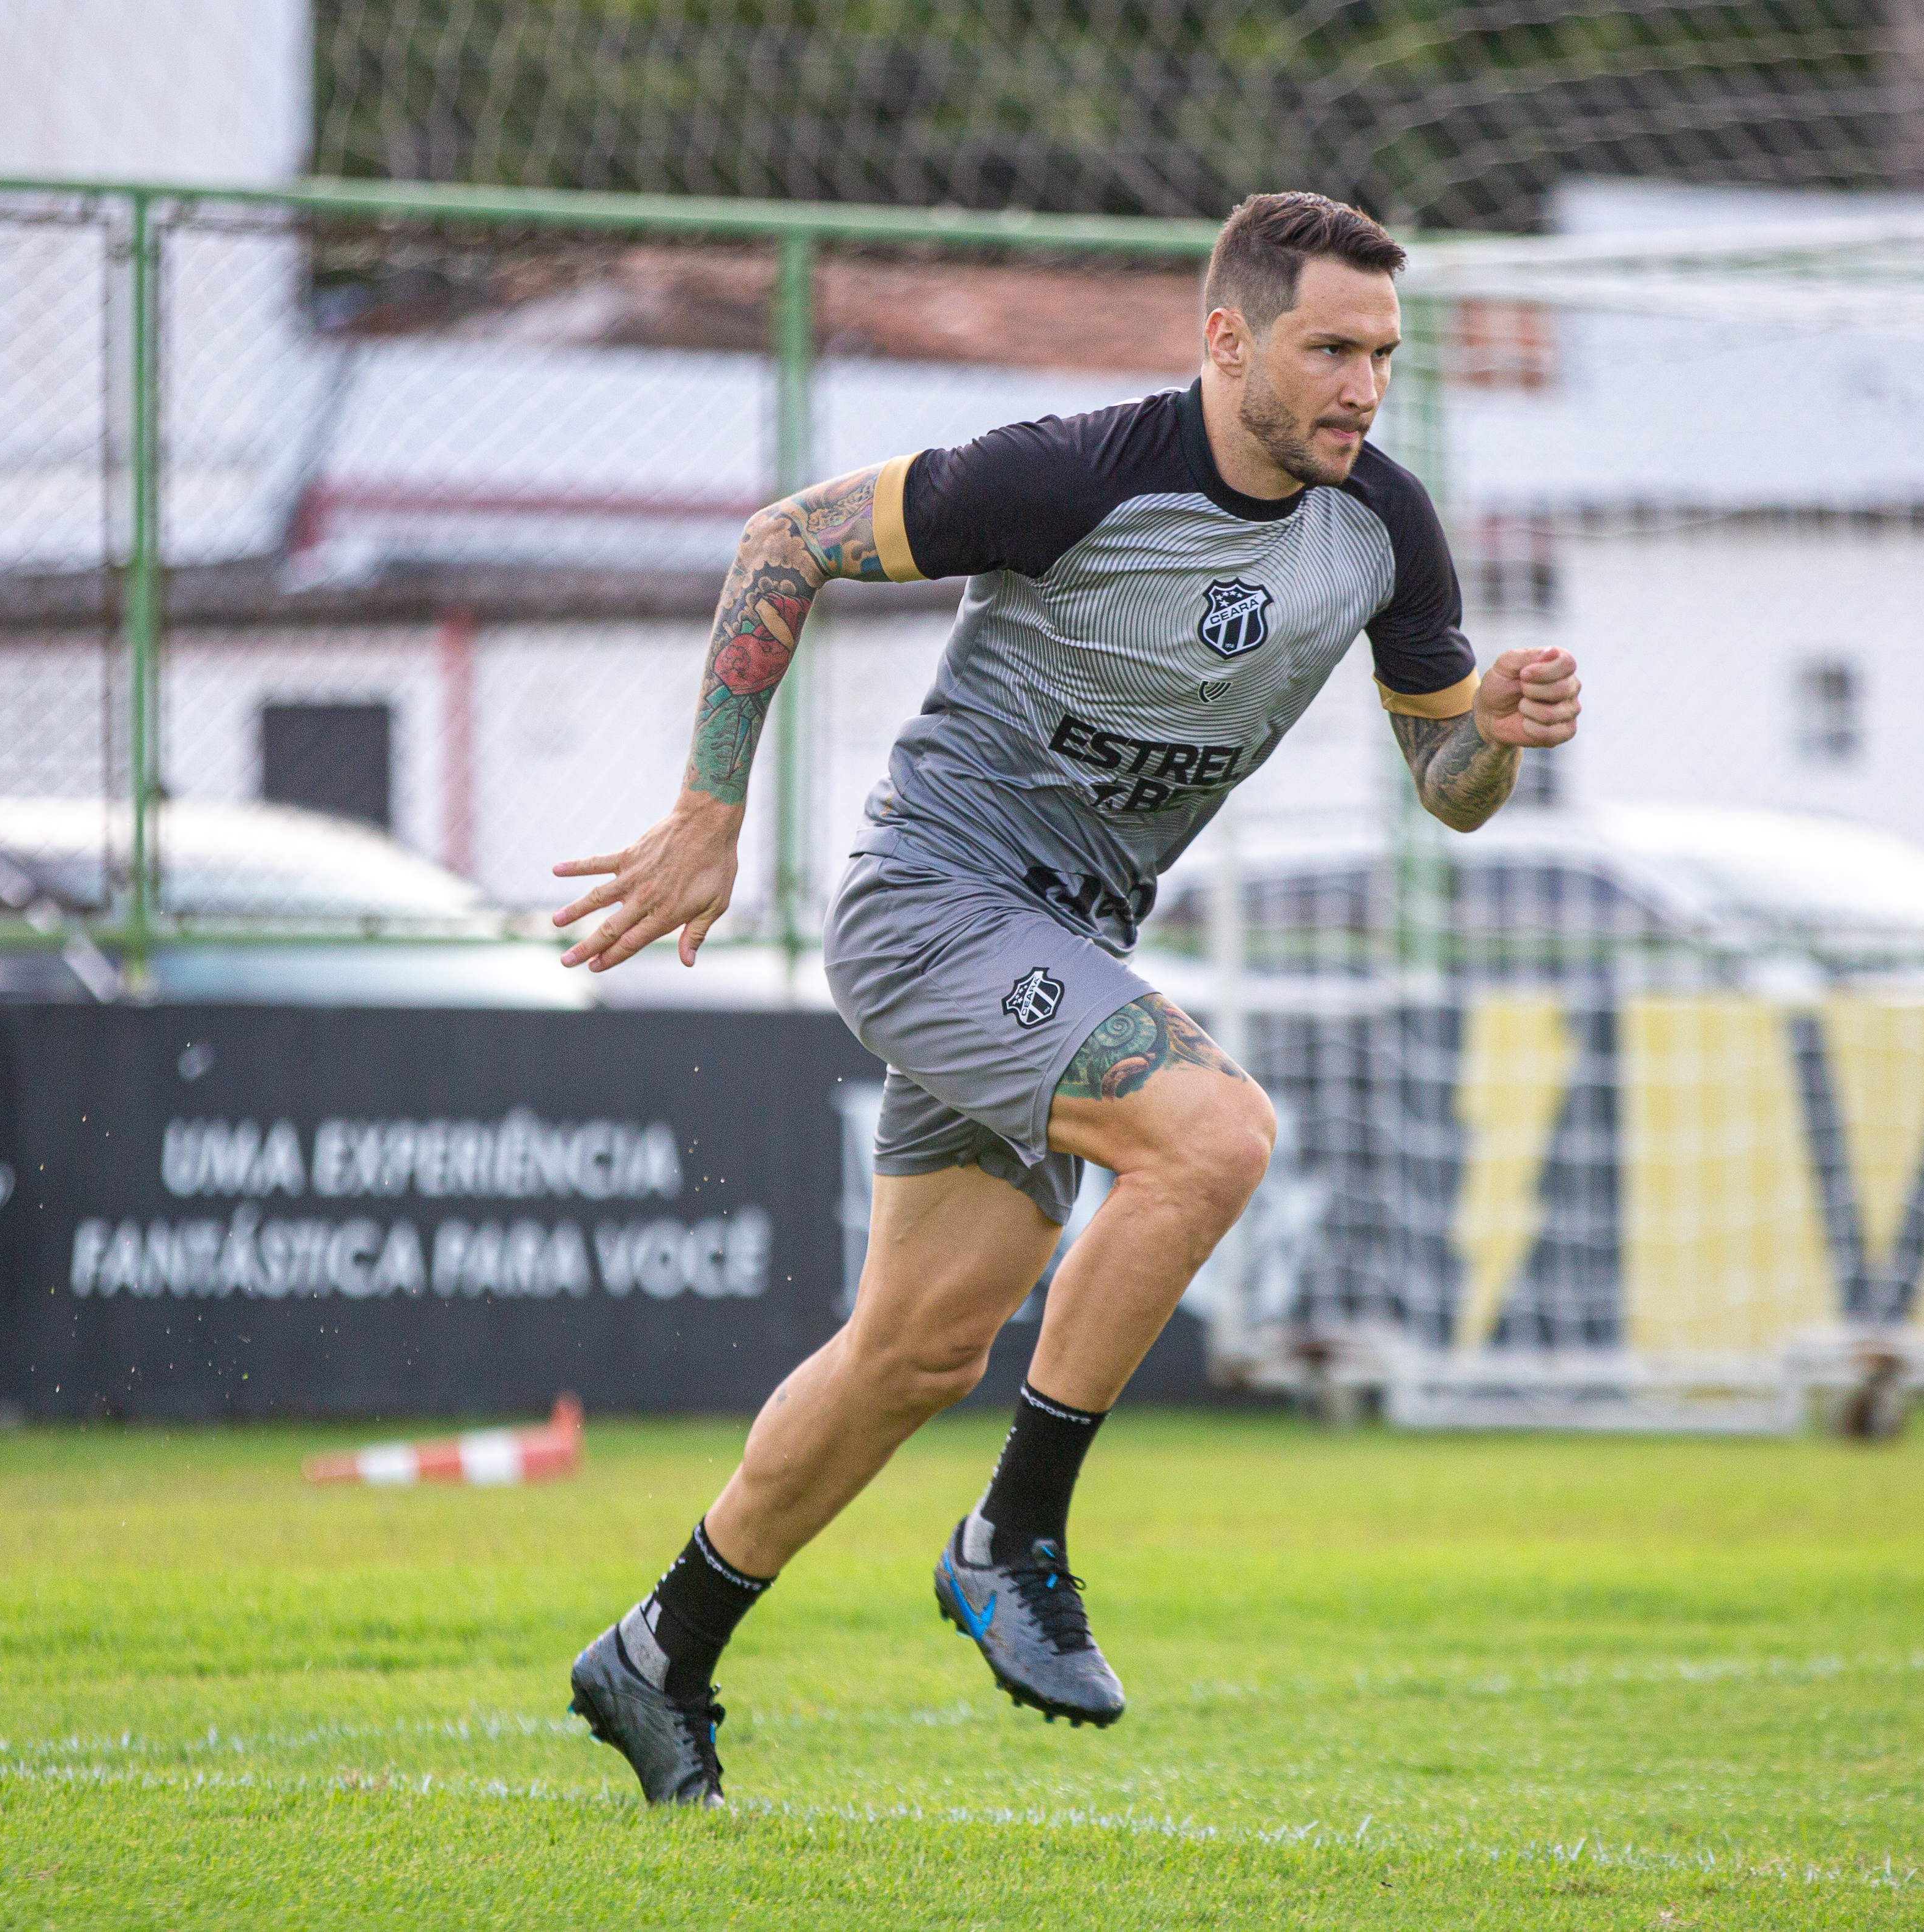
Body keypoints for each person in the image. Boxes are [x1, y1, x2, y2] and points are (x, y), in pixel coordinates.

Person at [548, 190, 1583, 1807]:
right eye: (1329, 349)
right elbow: (785, 542)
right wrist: (708, 814)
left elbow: (1445, 786)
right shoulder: (1076, 472)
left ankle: (657, 1651)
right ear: (1227, 339)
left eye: (1382, 354)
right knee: (1214, 1140)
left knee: (911, 1352)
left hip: (1063, 951)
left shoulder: (1386, 525)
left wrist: (1499, 735)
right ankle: (1014, 1534)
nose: (1363, 387)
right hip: (936, 909)